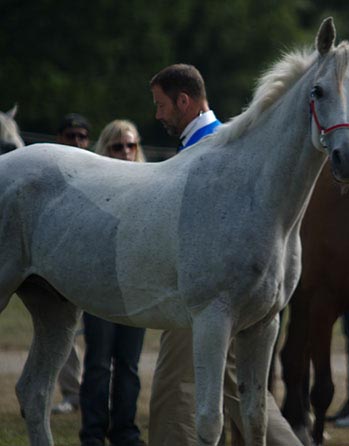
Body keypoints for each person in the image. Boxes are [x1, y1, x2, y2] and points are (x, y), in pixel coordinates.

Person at [147, 63, 301, 446]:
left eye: (161, 104)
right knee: (239, 389)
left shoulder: (212, 147)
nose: (158, 114)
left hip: (206, 291)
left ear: (184, 101)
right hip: (220, 292)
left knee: (173, 387)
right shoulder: (212, 141)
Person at [79, 120, 147, 446]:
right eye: (117, 146)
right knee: (97, 365)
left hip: (136, 290)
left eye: (130, 146)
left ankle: (125, 432)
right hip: (99, 287)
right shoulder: (91, 187)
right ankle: (92, 434)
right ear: (104, 149)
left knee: (129, 368)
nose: (125, 152)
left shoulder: (150, 187)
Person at [51, 112, 92, 415]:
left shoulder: (97, 172)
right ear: (59, 139)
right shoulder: (49, 176)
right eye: (70, 136)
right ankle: (71, 392)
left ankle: (96, 394)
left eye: (81, 136)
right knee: (63, 333)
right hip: (60, 264)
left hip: (94, 266)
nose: (76, 141)